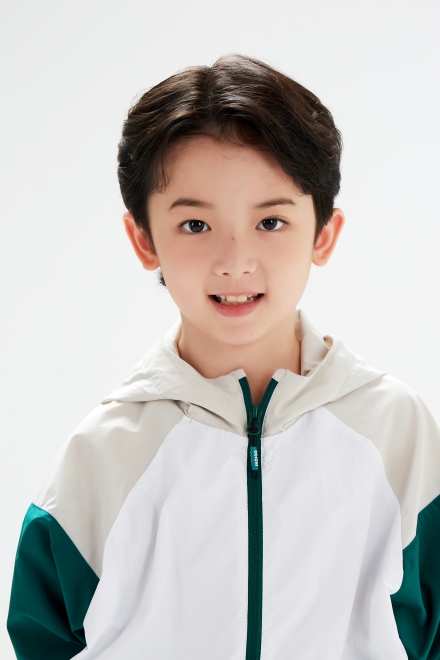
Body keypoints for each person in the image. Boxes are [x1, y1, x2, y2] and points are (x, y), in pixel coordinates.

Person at [7, 54, 440, 660]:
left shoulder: (396, 430)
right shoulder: (102, 453)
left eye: (271, 221)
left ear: (323, 234)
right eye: (195, 225)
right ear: (143, 239)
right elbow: (44, 640)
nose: (236, 261)